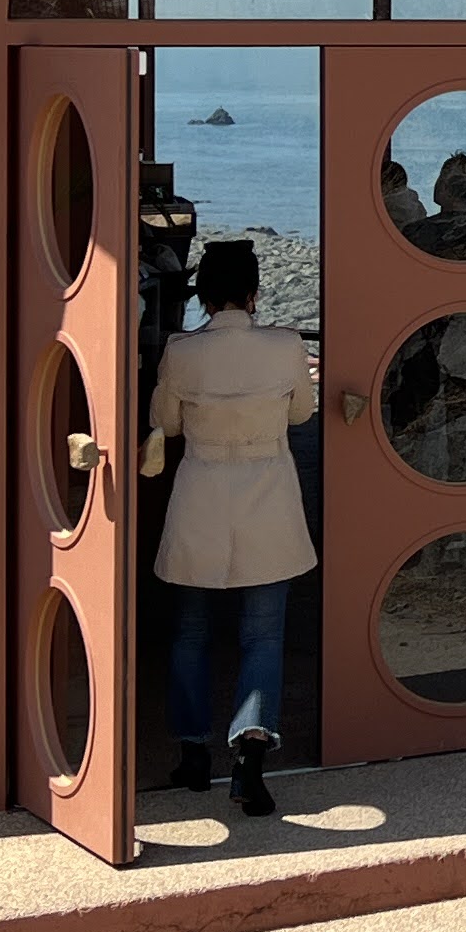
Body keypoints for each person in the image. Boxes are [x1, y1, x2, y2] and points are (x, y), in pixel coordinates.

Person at [145, 236, 318, 815]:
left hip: (202, 491)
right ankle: (250, 752)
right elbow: (301, 413)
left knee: (190, 632)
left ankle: (193, 751)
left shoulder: (182, 350)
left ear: (203, 295)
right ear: (254, 293)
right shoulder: (285, 344)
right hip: (268, 491)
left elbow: (166, 423)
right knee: (263, 635)